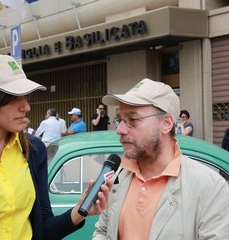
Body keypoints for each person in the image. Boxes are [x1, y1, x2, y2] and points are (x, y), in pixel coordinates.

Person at [0, 54, 112, 240]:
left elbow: (44, 229)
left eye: (26, 96)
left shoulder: (33, 149)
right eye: (14, 97)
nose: (26, 106)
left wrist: (79, 211)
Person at [92, 78, 229, 240]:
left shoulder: (210, 187)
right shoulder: (119, 177)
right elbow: (102, 232)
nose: (120, 130)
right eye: (120, 120)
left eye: (132, 120)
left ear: (166, 123)